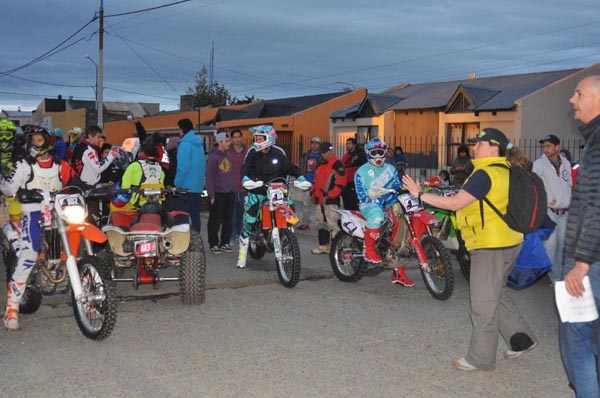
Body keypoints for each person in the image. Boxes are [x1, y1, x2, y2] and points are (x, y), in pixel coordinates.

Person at [402, 127, 537, 371]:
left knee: (483, 302)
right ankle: (521, 339)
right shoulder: (507, 170)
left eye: (479, 143)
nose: (473, 147)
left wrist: (420, 194)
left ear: (493, 147)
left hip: (489, 246)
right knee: (497, 293)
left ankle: (481, 358)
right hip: (511, 241)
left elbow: (454, 204)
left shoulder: (484, 174)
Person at [1, 125, 78, 330]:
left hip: (59, 212)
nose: (34, 144)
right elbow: (9, 188)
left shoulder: (61, 164)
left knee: (80, 234)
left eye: (38, 140)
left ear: (47, 141)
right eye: (31, 140)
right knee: (29, 256)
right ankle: (11, 309)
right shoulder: (24, 165)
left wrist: (92, 189)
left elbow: (75, 182)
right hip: (33, 213)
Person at [560, 75, 600, 397]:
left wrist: (582, 261)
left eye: (579, 93)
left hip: (592, 263)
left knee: (577, 340)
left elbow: (597, 205)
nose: (572, 100)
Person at [236, 125, 307, 269]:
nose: (257, 141)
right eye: (256, 138)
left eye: (260, 138)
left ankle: (287, 235)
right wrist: (246, 179)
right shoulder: (253, 152)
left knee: (290, 206)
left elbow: (289, 167)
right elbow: (246, 168)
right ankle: (242, 255)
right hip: (257, 190)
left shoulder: (279, 152)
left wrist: (300, 176)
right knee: (249, 220)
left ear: (269, 138)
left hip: (277, 190)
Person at [355, 138, 414, 287]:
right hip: (370, 204)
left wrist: (405, 188)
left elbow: (397, 184)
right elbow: (361, 194)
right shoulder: (360, 172)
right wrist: (372, 195)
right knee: (376, 216)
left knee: (403, 230)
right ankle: (368, 248)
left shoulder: (391, 168)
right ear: (368, 153)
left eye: (380, 152)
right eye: (374, 153)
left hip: (390, 203)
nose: (378, 156)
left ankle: (399, 273)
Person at [532, 134, 572, 284]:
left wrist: (567, 200)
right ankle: (555, 277)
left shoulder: (566, 163)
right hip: (549, 211)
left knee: (561, 246)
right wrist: (548, 200)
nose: (546, 149)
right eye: (545, 146)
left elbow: (569, 184)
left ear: (557, 147)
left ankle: (559, 274)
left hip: (564, 211)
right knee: (550, 246)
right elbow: (535, 187)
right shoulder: (539, 164)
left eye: (549, 146)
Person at [310, 142, 346, 254]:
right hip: (320, 200)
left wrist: (329, 195)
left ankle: (338, 247)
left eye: (324, 152)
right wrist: (313, 193)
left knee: (333, 224)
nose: (322, 155)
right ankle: (324, 246)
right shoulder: (321, 163)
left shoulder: (337, 164)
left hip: (331, 200)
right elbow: (316, 180)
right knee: (321, 223)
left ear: (330, 151)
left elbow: (341, 184)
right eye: (322, 153)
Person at [174, 118, 206, 233]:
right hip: (197, 186)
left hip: (185, 187)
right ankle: (196, 239)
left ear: (182, 130)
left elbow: (183, 167)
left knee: (182, 216)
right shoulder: (199, 144)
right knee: (195, 215)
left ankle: (183, 242)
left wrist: (177, 184)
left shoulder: (185, 144)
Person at [205, 132, 234, 254]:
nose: (229, 143)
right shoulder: (213, 157)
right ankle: (213, 243)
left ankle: (225, 242)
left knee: (228, 219)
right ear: (220, 142)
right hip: (217, 192)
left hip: (229, 191)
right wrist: (211, 195)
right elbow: (209, 177)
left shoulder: (228, 155)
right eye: (226, 141)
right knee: (215, 219)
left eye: (229, 141)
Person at [120, 141, 165, 208]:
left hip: (137, 205)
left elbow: (124, 187)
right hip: (157, 205)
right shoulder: (160, 168)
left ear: (142, 152)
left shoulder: (134, 166)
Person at [296, 136, 321, 230]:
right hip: (306, 181)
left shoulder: (321, 156)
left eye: (316, 143)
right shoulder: (306, 155)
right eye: (312, 143)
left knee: (319, 204)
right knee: (305, 203)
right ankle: (305, 223)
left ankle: (322, 224)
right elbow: (301, 166)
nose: (314, 145)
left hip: (317, 183)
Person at [228, 129, 248, 245]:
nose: (237, 139)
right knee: (232, 215)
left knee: (242, 214)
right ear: (232, 139)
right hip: (231, 188)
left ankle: (240, 234)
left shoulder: (247, 152)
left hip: (244, 188)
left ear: (241, 137)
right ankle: (232, 235)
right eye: (234, 137)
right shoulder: (228, 152)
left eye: (238, 136)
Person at [341, 137, 367, 210]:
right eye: (346, 144)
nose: (347, 145)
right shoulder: (345, 156)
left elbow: (362, 168)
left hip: (354, 182)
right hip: (346, 183)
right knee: (347, 204)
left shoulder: (360, 155)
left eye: (349, 144)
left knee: (354, 204)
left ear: (354, 145)